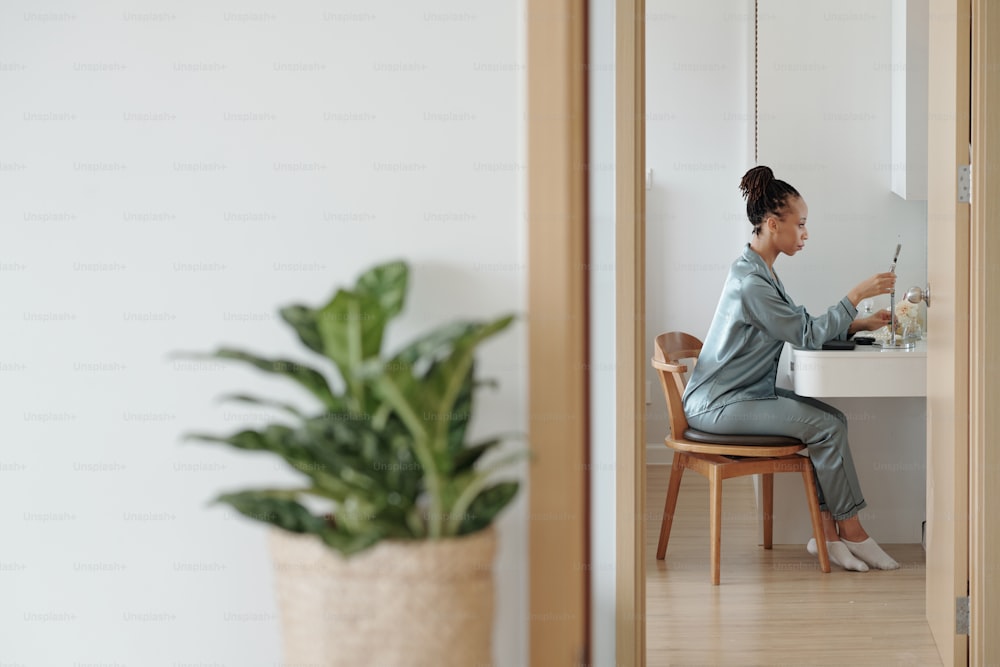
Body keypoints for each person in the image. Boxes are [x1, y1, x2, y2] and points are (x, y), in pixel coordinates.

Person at [681, 165, 899, 572]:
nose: (805, 234)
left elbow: (799, 326)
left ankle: (830, 536)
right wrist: (855, 297)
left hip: (740, 395)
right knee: (827, 427)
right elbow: (805, 333)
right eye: (800, 225)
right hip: (719, 404)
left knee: (831, 419)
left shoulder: (758, 271)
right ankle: (849, 531)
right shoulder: (752, 282)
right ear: (771, 224)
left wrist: (857, 323)